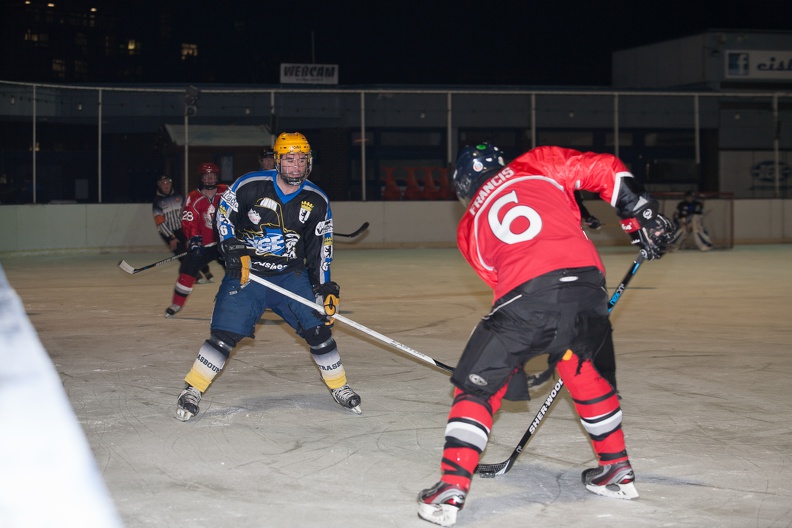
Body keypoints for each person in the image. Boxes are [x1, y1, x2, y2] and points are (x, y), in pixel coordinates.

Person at [417, 143, 674, 527]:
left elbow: (504, 283)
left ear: (464, 186)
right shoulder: (536, 163)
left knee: (478, 387)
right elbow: (605, 169)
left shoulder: (468, 226)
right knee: (584, 371)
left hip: (528, 295)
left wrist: (519, 352)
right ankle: (617, 470)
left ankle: (451, 489)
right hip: (587, 285)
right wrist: (642, 213)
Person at [174, 132, 361, 421]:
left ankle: (340, 386)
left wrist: (324, 286)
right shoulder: (250, 184)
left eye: (301, 160)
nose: (296, 166)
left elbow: (320, 250)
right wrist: (231, 245)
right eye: (289, 159)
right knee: (224, 335)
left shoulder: (317, 199)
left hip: (290, 276)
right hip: (249, 274)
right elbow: (224, 215)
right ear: (277, 161)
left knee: (319, 330)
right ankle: (192, 389)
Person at [164, 163, 228, 318]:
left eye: (213, 175)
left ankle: (241, 301)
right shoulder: (193, 197)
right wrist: (194, 239)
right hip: (204, 244)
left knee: (238, 270)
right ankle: (177, 303)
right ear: (201, 179)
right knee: (187, 269)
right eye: (206, 176)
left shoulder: (226, 191)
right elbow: (189, 220)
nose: (210, 178)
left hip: (225, 241)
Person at [152, 175, 213, 285]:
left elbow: (188, 212)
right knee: (183, 254)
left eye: (167, 182)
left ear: (171, 184)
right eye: (163, 183)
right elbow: (160, 223)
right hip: (169, 233)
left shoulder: (179, 196)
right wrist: (171, 237)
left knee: (196, 249)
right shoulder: (157, 202)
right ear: (159, 186)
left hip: (183, 229)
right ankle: (195, 275)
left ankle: (206, 271)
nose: (166, 185)